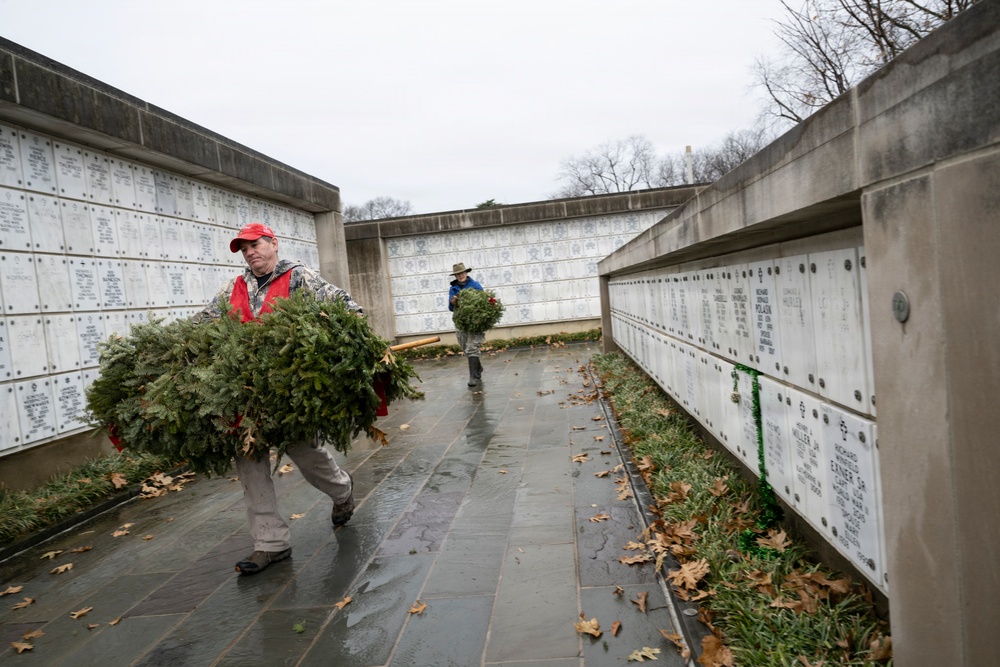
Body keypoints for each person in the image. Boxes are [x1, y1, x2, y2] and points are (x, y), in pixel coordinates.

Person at [195, 222, 361, 575]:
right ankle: (270, 544)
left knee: (306, 453)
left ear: (273, 243)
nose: (249, 252)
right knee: (249, 461)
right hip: (244, 392)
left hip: (288, 392)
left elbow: (348, 309)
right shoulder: (233, 288)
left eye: (255, 245)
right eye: (243, 248)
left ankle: (342, 489)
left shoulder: (300, 278)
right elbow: (204, 324)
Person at [447, 262, 485, 387]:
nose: (460, 276)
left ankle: (473, 377)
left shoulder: (475, 285)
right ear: (455, 276)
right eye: (458, 274)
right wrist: (453, 302)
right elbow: (451, 308)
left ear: (466, 273)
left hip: (474, 321)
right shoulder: (453, 288)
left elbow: (483, 302)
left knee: (472, 347)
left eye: (462, 273)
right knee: (465, 347)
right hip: (461, 322)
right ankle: (478, 368)